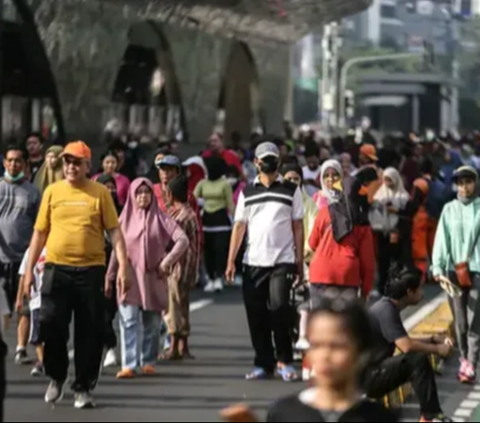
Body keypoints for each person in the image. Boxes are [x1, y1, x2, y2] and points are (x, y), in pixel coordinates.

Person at [25, 141, 128, 409]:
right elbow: (39, 233)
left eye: (76, 162)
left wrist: (123, 268)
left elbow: (115, 232)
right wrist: (27, 273)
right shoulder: (52, 192)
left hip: (91, 271)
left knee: (89, 333)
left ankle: (82, 386)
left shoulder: (99, 194)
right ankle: (57, 377)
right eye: (67, 161)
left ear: (87, 166)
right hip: (56, 269)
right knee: (51, 325)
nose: (71, 166)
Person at [226, 141, 304, 382]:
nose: (269, 162)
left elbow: (298, 227)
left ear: (278, 162)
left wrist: (299, 261)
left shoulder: (292, 190)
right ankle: (263, 363)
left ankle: (285, 361)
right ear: (257, 162)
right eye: (264, 158)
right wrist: (231, 261)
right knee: (256, 314)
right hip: (253, 262)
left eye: (273, 158)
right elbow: (239, 226)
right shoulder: (247, 192)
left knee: (280, 309)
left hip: (282, 261)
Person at [107, 178, 188, 379]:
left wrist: (166, 262)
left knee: (151, 323)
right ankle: (129, 364)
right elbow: (115, 251)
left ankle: (148, 362)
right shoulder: (122, 220)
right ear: (132, 196)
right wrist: (109, 276)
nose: (143, 196)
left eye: (147, 192)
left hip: (153, 277)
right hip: (128, 278)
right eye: (139, 193)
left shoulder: (161, 218)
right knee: (128, 322)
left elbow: (182, 240)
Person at [267, 299, 398, 422]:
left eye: (337, 346)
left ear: (361, 352)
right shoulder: (283, 414)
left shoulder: (379, 418)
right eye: (317, 345)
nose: (325, 356)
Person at [365, 267, 453, 423]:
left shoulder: (387, 306)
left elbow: (403, 340)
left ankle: (429, 415)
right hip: (370, 377)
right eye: (419, 288)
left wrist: (432, 339)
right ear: (409, 292)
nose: (422, 292)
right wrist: (437, 349)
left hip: (374, 371)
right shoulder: (386, 310)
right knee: (417, 360)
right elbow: (406, 346)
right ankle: (430, 415)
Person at [432, 166, 480, 384]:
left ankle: (471, 362)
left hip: (478, 271)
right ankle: (463, 358)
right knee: (460, 321)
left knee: (475, 320)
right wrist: (438, 268)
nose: (464, 186)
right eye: (460, 182)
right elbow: (442, 240)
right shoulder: (449, 209)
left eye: (468, 181)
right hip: (454, 272)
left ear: (475, 183)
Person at [308, 161, 375, 302]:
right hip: (347, 275)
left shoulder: (325, 212)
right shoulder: (363, 222)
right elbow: (367, 263)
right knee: (344, 322)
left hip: (320, 273)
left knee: (321, 321)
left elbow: (312, 243)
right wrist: (365, 291)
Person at [0, 144, 40, 364]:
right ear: (4, 162)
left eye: (18, 161)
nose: (13, 164)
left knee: (24, 306)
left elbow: (40, 226)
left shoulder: (32, 192)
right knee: (1, 307)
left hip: (24, 259)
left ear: (24, 165)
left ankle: (21, 348)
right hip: (0, 259)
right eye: (10, 160)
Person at [164, 176, 201, 359]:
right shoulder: (187, 213)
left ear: (170, 194)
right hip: (187, 268)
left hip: (178, 268)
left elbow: (171, 242)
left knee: (174, 306)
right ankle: (182, 346)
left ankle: (174, 346)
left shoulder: (182, 217)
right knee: (182, 305)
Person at [194, 156, 235, 293]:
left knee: (220, 250)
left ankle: (219, 277)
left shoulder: (225, 184)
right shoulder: (202, 183)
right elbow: (193, 198)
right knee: (208, 251)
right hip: (206, 221)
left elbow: (230, 203)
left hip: (222, 221)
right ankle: (210, 278)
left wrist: (237, 220)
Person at [96, 174, 123, 368]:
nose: (110, 190)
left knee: (119, 312)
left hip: (120, 270)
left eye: (112, 187)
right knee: (101, 314)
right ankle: (110, 347)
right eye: (105, 187)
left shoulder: (124, 212)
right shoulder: (92, 214)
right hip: (95, 269)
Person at [370, 168, 411, 295]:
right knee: (383, 263)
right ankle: (382, 288)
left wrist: (397, 211)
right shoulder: (379, 195)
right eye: (385, 180)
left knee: (398, 262)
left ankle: (399, 287)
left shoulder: (404, 197)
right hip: (383, 234)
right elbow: (374, 213)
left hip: (399, 235)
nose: (388, 183)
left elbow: (409, 215)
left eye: (390, 180)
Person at [16, 247, 47, 377]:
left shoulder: (56, 248)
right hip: (36, 299)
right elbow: (23, 275)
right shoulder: (31, 251)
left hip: (53, 298)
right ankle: (42, 362)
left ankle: (46, 362)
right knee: (37, 335)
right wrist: (19, 298)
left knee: (52, 332)